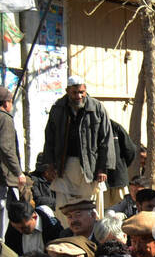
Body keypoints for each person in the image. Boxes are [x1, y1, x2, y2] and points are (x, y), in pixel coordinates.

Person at [40, 75, 115, 223]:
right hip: (64, 167)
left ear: (85, 90)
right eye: (74, 92)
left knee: (90, 206)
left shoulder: (97, 108)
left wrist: (103, 168)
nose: (78, 96)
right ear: (67, 91)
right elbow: (49, 139)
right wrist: (50, 165)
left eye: (81, 92)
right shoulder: (58, 109)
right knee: (65, 207)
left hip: (90, 167)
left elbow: (106, 140)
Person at [0, 86, 23, 242]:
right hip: (3, 177)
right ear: (6, 103)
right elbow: (7, 148)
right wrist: (18, 173)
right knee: (3, 216)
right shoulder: (5, 118)